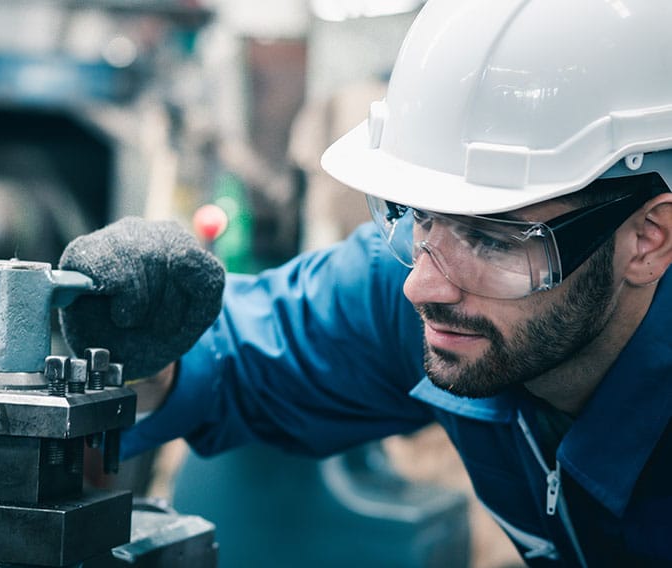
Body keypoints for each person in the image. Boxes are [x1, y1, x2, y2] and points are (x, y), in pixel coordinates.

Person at [58, 0, 672, 565]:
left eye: (491, 238)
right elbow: (244, 353)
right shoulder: (433, 284)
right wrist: (145, 343)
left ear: (648, 238)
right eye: (416, 215)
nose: (421, 288)